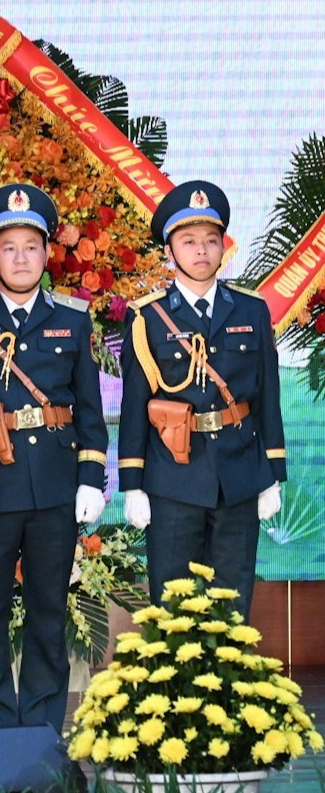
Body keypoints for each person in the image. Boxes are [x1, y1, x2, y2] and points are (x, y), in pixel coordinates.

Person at [0, 185, 109, 733]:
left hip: (53, 486)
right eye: (9, 248)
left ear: (47, 253)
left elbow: (89, 411)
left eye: (30, 246)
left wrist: (91, 476)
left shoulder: (72, 320)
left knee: (49, 611)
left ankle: (43, 729)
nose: (20, 258)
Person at [120, 181, 283, 618]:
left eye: (211, 240)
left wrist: (272, 473)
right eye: (189, 241)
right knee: (173, 606)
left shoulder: (251, 310)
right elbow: (135, 405)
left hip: (240, 473)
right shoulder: (146, 316)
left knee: (232, 604)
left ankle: (225, 689)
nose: (201, 251)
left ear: (223, 247)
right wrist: (133, 486)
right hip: (173, 476)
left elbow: (267, 395)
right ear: (170, 250)